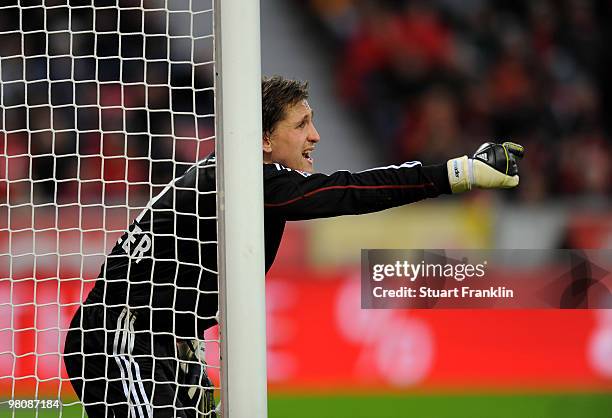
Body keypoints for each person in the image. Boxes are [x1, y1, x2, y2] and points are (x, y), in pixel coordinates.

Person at [63, 76, 524, 417]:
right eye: (302, 124)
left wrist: (183, 339)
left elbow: (171, 274)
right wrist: (454, 173)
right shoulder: (244, 180)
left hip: (158, 339)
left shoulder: (238, 178)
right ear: (264, 140)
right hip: (116, 340)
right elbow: (349, 191)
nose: (316, 136)